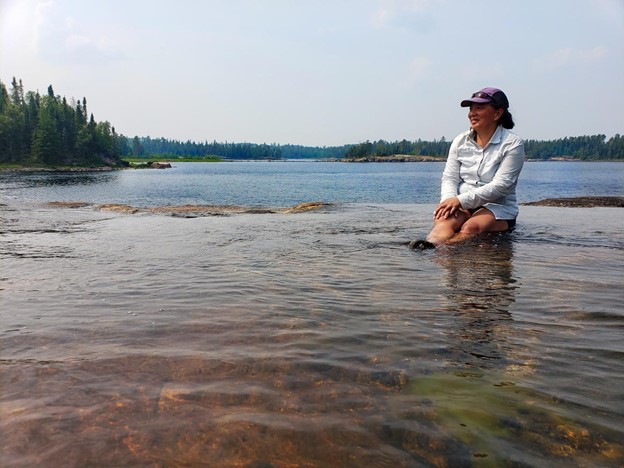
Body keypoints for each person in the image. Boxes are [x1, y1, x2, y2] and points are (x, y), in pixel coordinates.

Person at [412, 87, 525, 249]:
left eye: (480, 108)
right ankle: (429, 246)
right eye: (471, 109)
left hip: (497, 207)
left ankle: (444, 249)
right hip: (460, 203)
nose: (472, 113)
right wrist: (448, 202)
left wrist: (460, 200)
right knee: (443, 225)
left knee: (470, 228)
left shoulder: (513, 143)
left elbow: (502, 185)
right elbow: (450, 178)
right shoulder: (460, 140)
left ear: (498, 113)